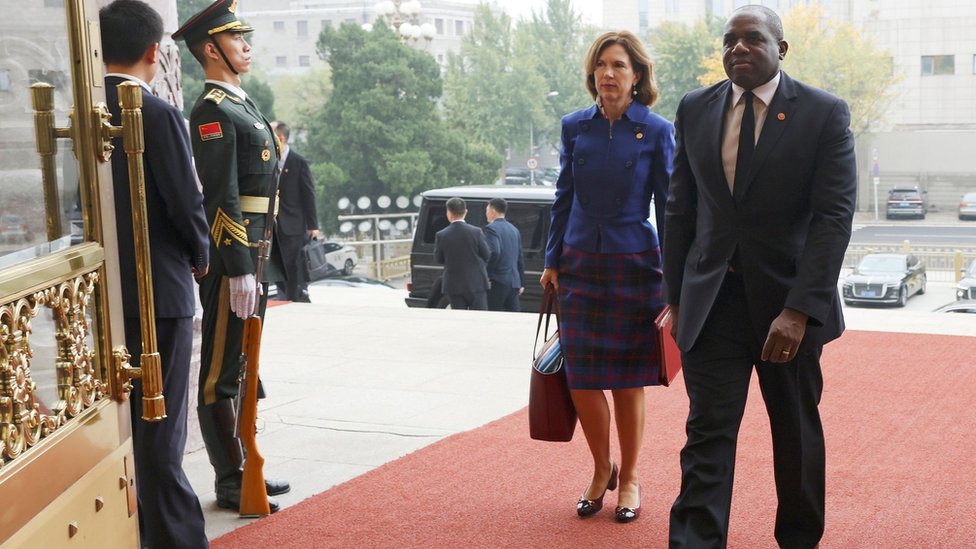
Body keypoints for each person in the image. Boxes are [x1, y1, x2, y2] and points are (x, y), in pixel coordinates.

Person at [663, 6, 856, 548]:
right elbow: (679, 211)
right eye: (729, 41)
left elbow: (833, 218)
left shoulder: (822, 114)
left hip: (788, 310)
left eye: (752, 39)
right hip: (711, 304)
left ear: (781, 48)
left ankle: (798, 540)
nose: (738, 49)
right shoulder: (695, 108)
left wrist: (800, 310)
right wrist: (675, 299)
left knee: (793, 437)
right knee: (707, 436)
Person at [540, 30, 673, 523]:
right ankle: (602, 469)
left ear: (636, 76)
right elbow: (563, 198)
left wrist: (674, 278)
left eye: (618, 65)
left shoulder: (656, 130)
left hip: (635, 265)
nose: (608, 74)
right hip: (578, 264)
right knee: (582, 377)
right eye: (601, 65)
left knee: (627, 380)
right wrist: (551, 261)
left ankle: (631, 478)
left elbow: (670, 206)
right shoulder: (574, 126)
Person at [99, 1, 210, 546]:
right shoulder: (156, 114)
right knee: (161, 429)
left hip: (102, 292)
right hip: (159, 290)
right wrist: (202, 254)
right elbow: (185, 202)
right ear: (153, 51)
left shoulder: (85, 108)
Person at [173, 0, 290, 513]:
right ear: (209, 50)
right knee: (220, 370)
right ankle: (229, 477)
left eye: (245, 37)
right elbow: (219, 197)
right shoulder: (212, 112)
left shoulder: (240, 102)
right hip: (234, 259)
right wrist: (238, 266)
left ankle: (246, 459)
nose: (247, 46)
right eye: (236, 39)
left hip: (255, 253)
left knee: (246, 363)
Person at [272, 121, 319, 302]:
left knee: (293, 264)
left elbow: (309, 194)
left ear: (281, 138)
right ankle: (286, 295)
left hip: (293, 224)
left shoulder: (298, 162)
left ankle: (295, 296)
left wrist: (313, 225)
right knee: (277, 263)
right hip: (273, 225)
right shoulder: (268, 160)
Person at [433, 197, 491, 310]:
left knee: (459, 318)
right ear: (465, 212)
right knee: (480, 318)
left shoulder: (441, 235)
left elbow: (438, 259)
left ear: (448, 213)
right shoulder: (476, 232)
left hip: (453, 284)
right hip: (476, 283)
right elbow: (486, 255)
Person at [483, 198, 525, 312]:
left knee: (493, 317)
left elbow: (494, 252)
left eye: (487, 211)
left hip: (498, 280)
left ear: (492, 211)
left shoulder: (491, 229)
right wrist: (521, 282)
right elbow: (519, 257)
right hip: (514, 282)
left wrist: (487, 274)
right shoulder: (514, 229)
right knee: (513, 318)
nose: (486, 214)